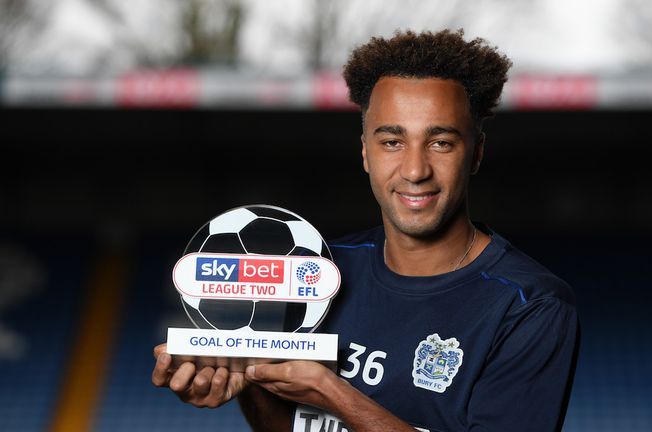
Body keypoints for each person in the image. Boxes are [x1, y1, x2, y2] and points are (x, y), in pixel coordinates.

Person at [153, 29, 579, 432]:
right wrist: (248, 378)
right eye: (392, 142)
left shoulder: (530, 305)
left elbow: (326, 396)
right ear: (365, 153)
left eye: (440, 143)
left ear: (476, 153)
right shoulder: (316, 271)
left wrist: (330, 390)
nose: (415, 170)